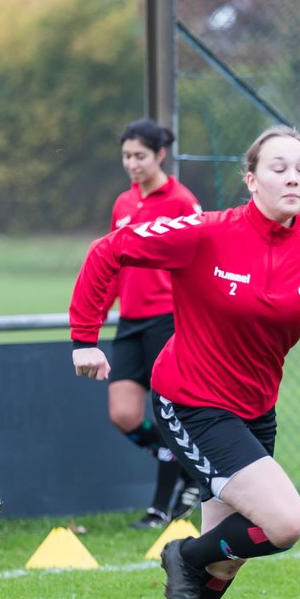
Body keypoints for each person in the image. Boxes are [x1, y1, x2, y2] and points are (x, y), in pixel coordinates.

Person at [69, 125, 300, 599]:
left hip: (254, 414)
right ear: (251, 178)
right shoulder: (205, 232)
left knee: (227, 558)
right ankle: (180, 553)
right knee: (283, 523)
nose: (292, 177)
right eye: (279, 167)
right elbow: (108, 251)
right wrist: (85, 336)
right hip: (189, 401)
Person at [99, 119, 203, 530]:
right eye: (126, 156)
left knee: (165, 415)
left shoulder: (181, 200)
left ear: (160, 155)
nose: (131, 164)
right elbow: (109, 264)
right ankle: (192, 471)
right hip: (130, 322)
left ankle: (160, 508)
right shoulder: (123, 203)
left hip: (168, 320)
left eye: (139, 156)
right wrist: (90, 320)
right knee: (123, 414)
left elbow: (198, 258)